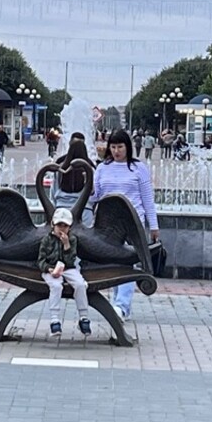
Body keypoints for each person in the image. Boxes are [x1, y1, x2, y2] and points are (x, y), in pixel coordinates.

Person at [89, 129, 159, 322]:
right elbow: (96, 196)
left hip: (133, 221)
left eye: (120, 147)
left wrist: (154, 226)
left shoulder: (138, 168)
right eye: (113, 147)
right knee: (114, 263)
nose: (117, 151)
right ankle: (120, 305)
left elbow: (147, 199)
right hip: (108, 224)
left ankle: (121, 306)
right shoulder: (103, 168)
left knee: (128, 263)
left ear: (127, 147)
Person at [38, 207, 92, 337]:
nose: (62, 229)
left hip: (68, 268)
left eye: (65, 226)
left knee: (80, 284)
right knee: (56, 286)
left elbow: (70, 260)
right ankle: (54, 319)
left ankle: (83, 317)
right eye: (59, 225)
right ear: (53, 225)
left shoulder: (72, 240)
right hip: (51, 269)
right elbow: (40, 260)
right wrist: (48, 269)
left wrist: (66, 245)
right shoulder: (46, 240)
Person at [53, 134, 95, 212]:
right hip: (84, 208)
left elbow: (54, 189)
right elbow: (94, 192)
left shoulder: (61, 166)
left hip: (62, 207)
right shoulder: (90, 167)